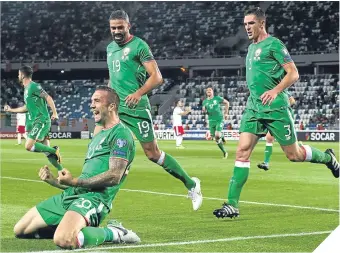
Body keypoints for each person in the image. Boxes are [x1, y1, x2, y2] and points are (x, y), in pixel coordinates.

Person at [213, 7, 339, 219]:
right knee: (242, 151)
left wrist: (275, 90)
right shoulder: (251, 48)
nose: (247, 27)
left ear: (262, 23)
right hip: (254, 108)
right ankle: (232, 204)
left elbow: (293, 73)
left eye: (251, 23)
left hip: (276, 108)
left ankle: (328, 158)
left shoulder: (274, 44)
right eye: (245, 24)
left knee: (294, 155)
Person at [96, 9, 202, 210]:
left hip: (136, 108)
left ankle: (191, 183)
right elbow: (113, 77)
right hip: (116, 109)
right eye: (113, 28)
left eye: (120, 27)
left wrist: (137, 93)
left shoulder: (139, 46)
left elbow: (157, 77)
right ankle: (97, 198)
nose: (117, 31)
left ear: (129, 26)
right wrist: (105, 98)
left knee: (152, 154)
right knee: (104, 148)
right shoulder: (110, 48)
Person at [13, 87, 140, 249]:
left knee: (64, 240)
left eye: (97, 101)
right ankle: (71, 226)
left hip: (94, 198)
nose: (91, 105)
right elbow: (81, 181)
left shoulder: (121, 134)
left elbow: (115, 175)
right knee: (21, 230)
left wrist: (74, 181)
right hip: (75, 194)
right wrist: (53, 181)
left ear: (112, 106)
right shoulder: (98, 135)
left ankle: (115, 232)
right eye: (91, 101)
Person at [4, 65, 62, 171]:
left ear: (22, 75)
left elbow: (48, 97)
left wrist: (55, 113)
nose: (18, 75)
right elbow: (26, 108)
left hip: (41, 120)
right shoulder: (27, 90)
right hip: (39, 121)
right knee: (46, 152)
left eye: (18, 74)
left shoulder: (34, 86)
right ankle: (61, 170)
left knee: (28, 146)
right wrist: (11, 110)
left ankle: (55, 150)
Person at [257, 93, 296, 171]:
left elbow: (293, 101)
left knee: (290, 149)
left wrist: (283, 106)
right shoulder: (269, 92)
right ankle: (266, 162)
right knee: (269, 138)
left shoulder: (282, 92)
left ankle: (300, 148)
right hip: (276, 116)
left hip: (284, 117)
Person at [202, 87, 229, 158]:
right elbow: (207, 112)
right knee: (216, 138)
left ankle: (221, 136)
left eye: (210, 90)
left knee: (217, 135)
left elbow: (227, 103)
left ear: (213, 92)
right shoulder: (204, 102)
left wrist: (226, 113)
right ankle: (225, 152)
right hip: (211, 121)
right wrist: (205, 111)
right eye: (207, 90)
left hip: (219, 119)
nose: (208, 91)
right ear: (206, 93)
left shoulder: (217, 98)